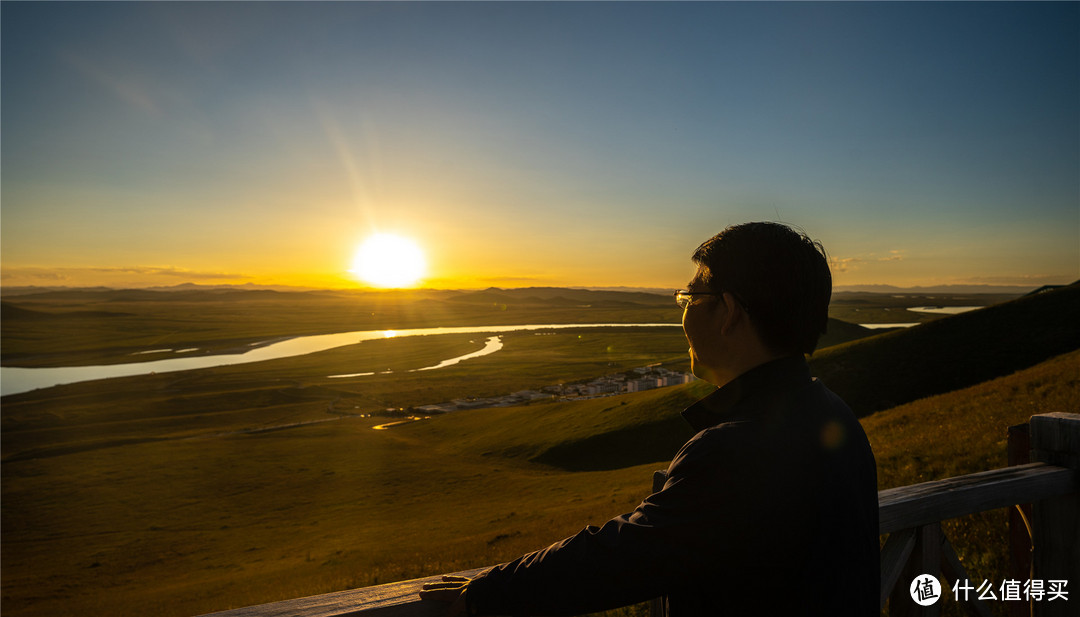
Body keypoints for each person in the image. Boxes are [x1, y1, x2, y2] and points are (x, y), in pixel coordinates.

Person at [420, 222, 879, 616]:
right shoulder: (830, 413)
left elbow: (625, 554)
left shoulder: (735, 448)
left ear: (730, 313)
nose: (683, 312)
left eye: (690, 295)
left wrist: (489, 593)